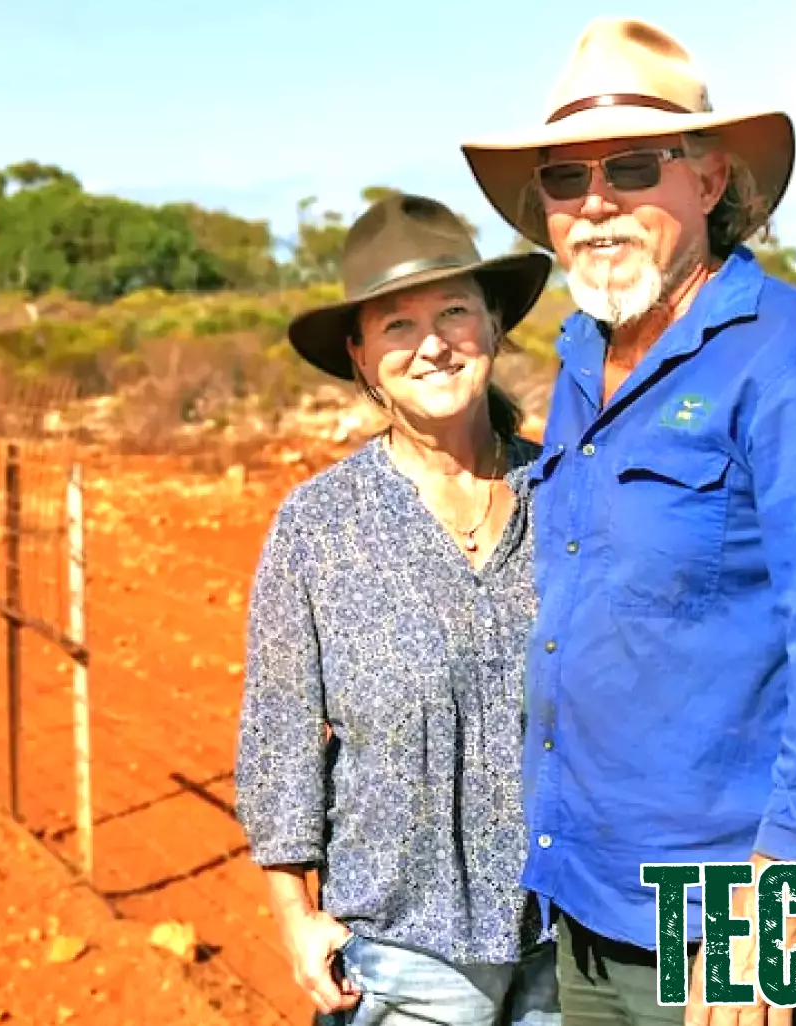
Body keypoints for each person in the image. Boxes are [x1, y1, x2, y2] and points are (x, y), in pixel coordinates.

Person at [457, 17, 796, 1026]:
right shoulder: (586, 360)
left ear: (712, 181)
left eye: (633, 167)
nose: (595, 204)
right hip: (600, 913)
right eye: (562, 179)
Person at [234, 192, 561, 1026]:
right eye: (396, 326)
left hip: (570, 944)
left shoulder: (566, 491)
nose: (432, 345)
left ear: (493, 324)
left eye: (454, 310)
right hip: (402, 954)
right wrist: (293, 915)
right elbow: (278, 735)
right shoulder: (319, 526)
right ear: (360, 356)